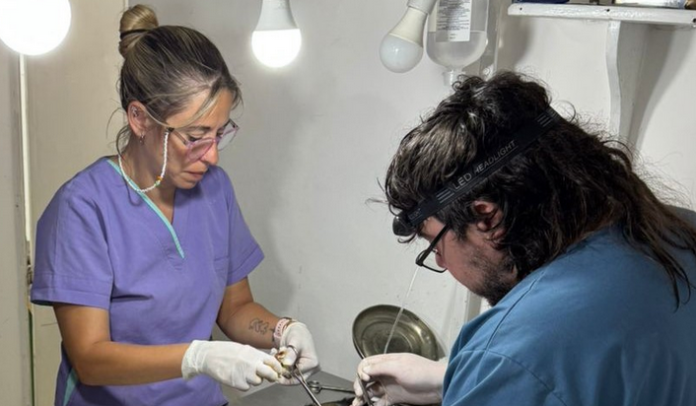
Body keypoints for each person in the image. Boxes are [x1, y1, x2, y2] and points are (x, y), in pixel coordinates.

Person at [30, 5, 319, 406]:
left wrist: (283, 330)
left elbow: (235, 308)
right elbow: (90, 358)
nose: (212, 155)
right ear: (140, 119)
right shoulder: (82, 208)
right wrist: (197, 357)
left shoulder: (214, 190)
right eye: (196, 137)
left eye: (219, 134)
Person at [352, 71, 696, 406]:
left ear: (487, 217)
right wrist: (453, 377)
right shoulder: (675, 230)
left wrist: (489, 373)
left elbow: (536, 365)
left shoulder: (514, 354)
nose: (440, 260)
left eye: (434, 243)